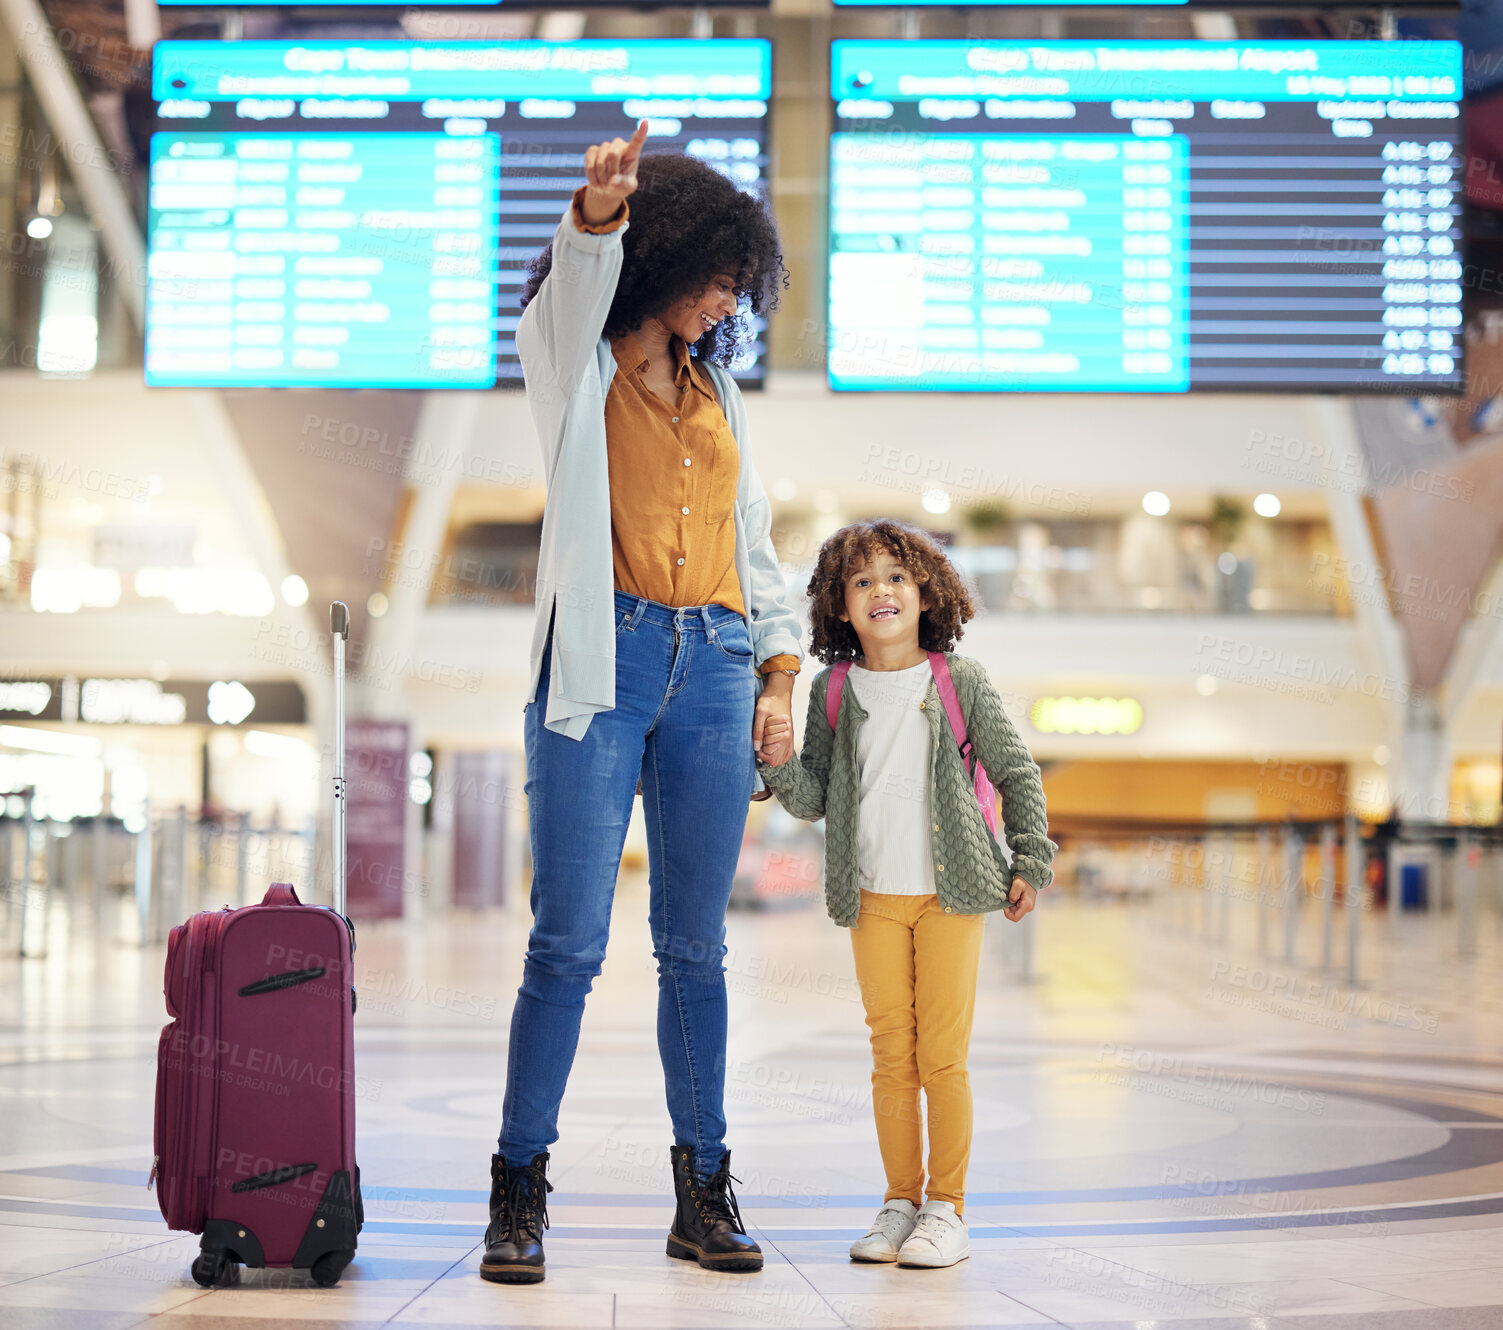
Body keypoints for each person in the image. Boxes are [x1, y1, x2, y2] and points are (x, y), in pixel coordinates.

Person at [481, 122, 804, 1284]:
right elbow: (578, 288)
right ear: (666, 259)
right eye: (718, 276)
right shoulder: (572, 360)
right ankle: (518, 1186)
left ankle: (703, 1190)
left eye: (738, 284)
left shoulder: (719, 391)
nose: (728, 300)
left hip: (714, 664)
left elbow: (754, 543)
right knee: (567, 941)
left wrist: (776, 673)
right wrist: (600, 218)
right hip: (600, 663)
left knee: (696, 949)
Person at [756, 518, 1056, 1269]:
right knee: (891, 1056)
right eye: (860, 582)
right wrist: (778, 759)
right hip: (872, 897)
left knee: (941, 1059)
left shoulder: (959, 681)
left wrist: (1030, 859)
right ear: (838, 606)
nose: (879, 591)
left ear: (926, 592)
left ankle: (946, 1209)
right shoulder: (832, 688)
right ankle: (899, 1201)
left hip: (950, 897)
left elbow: (1016, 773)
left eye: (894, 576)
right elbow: (813, 797)